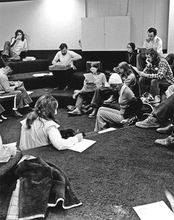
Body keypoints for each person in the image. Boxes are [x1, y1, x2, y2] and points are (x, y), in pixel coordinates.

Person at [19, 94, 83, 151]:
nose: (56, 112)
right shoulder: (49, 125)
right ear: (50, 110)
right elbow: (60, 145)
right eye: (55, 109)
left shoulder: (28, 119)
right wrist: (76, 139)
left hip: (25, 154)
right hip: (39, 156)